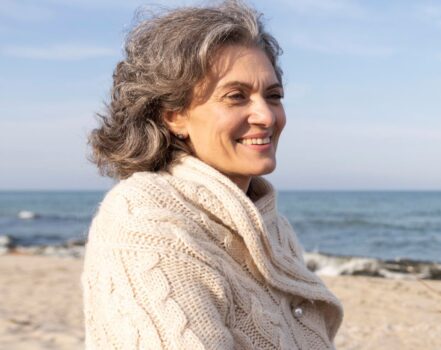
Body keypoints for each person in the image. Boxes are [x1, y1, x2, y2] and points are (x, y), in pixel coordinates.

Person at [82, 1, 342, 349]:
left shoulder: (272, 227)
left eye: (274, 95)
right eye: (236, 97)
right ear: (174, 115)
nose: (266, 115)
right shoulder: (146, 221)